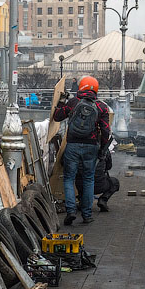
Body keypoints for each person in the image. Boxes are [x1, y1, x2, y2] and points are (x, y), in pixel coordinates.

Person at [53, 75, 111, 226]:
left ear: (81, 87)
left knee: (69, 178)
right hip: (91, 147)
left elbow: (57, 116)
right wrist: (103, 149)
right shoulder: (102, 107)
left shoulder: (73, 102)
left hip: (72, 145)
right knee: (88, 179)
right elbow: (106, 131)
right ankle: (87, 214)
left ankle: (71, 211)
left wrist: (60, 101)